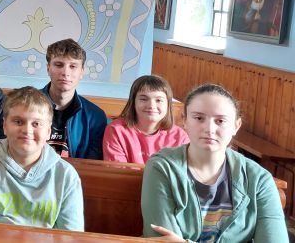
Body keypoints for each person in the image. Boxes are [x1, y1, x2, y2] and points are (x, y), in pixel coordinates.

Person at [141, 84, 287, 241]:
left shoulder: (259, 179)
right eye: (199, 118)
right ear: (185, 120)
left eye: (220, 121)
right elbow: (160, 239)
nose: (209, 129)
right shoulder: (162, 167)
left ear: (236, 126)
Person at [0, 86, 84, 230]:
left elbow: (70, 236)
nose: (27, 130)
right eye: (18, 121)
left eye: (36, 124)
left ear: (48, 131)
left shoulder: (66, 175)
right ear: (4, 126)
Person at [41, 38, 108, 160]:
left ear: (81, 72)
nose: (65, 72)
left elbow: (92, 165)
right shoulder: (24, 106)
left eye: (73, 66)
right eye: (58, 65)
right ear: (48, 68)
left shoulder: (95, 116)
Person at [102, 75, 189, 164]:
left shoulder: (180, 137)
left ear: (168, 105)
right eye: (143, 99)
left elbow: (182, 171)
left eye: (158, 100)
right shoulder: (116, 130)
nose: (151, 105)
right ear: (133, 102)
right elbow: (117, 171)